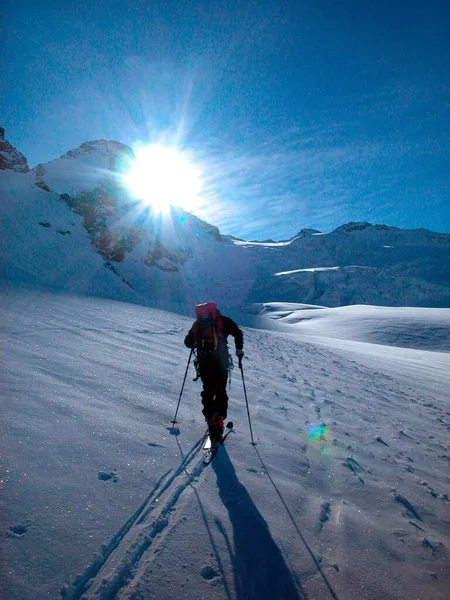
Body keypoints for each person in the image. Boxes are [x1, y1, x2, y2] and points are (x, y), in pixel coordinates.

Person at [184, 302, 244, 439]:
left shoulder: (197, 325)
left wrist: (196, 342)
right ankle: (219, 419)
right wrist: (239, 350)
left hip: (204, 362)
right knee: (220, 390)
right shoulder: (222, 321)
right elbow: (238, 333)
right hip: (221, 361)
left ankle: (210, 418)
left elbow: (187, 343)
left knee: (208, 390)